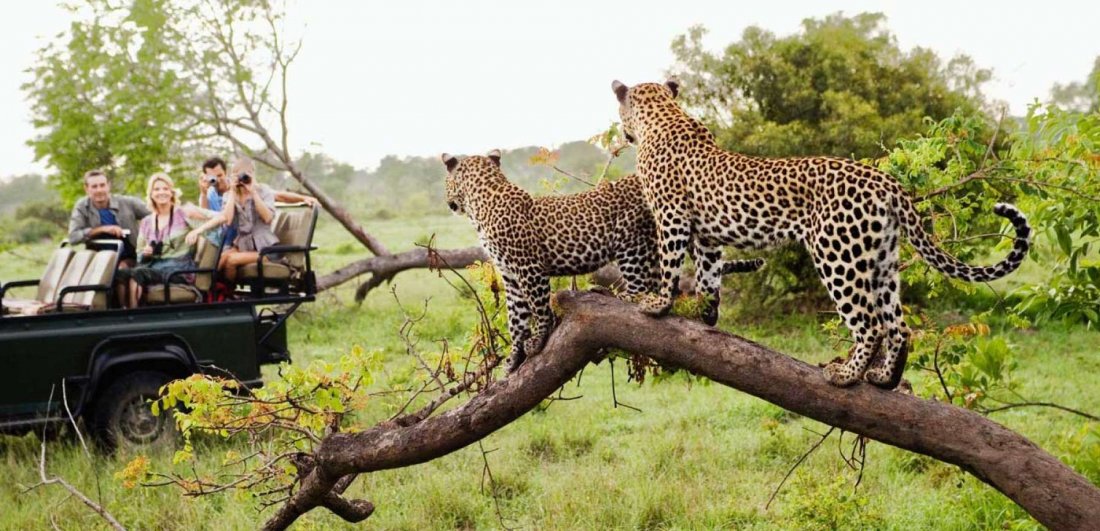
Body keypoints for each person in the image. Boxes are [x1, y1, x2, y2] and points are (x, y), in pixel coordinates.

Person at [120, 173, 218, 308]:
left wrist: (197, 231)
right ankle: (122, 312)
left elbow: (220, 218)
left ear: (171, 192)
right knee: (120, 274)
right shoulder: (147, 222)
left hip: (179, 270)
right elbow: (139, 255)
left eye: (165, 189)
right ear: (151, 194)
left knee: (138, 274)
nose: (161, 192)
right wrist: (146, 253)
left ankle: (133, 318)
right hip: (154, 267)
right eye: (157, 189)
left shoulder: (183, 213)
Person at [188, 158, 280, 284]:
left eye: (246, 174)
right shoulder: (230, 195)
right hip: (243, 245)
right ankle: (204, 288)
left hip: (265, 249)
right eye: (238, 175)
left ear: (253, 174)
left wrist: (253, 192)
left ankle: (228, 294)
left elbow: (268, 218)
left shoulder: (263, 190)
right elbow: (227, 220)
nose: (243, 179)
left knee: (231, 260)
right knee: (222, 257)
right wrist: (232, 191)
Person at [67, 170, 150, 266]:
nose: (99, 190)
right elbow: (73, 237)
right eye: (94, 186)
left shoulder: (127, 202)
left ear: (108, 186)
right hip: (98, 259)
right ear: (86, 189)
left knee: (119, 270)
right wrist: (102, 229)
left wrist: (148, 237)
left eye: (102, 185)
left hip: (129, 257)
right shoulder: (82, 206)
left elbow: (155, 214)